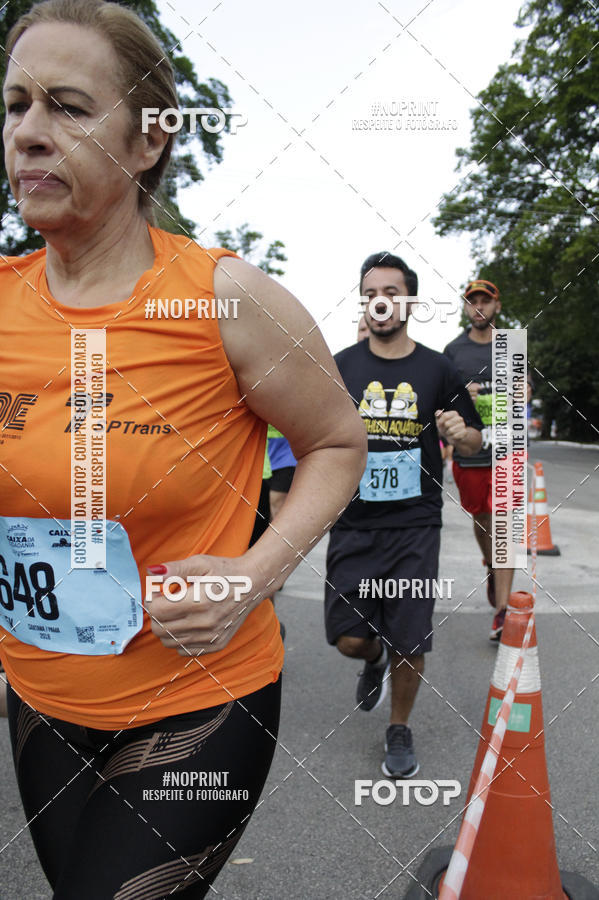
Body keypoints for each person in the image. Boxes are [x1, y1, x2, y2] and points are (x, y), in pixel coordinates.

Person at [0, 2, 366, 896]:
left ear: (146, 142)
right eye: (15, 105)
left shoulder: (224, 298)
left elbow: (336, 442)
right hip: (42, 700)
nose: (30, 134)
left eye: (69, 107)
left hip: (200, 700)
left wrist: (256, 574)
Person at [325, 252, 482, 778]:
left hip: (415, 524)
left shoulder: (437, 368)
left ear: (409, 301)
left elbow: (477, 431)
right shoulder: (341, 366)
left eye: (391, 291)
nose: (380, 301)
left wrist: (463, 434)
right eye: (371, 292)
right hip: (353, 523)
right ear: (364, 300)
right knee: (348, 637)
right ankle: (373, 660)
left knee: (410, 637)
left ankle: (399, 728)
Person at [444, 279, 515, 641]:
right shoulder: (453, 351)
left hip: (506, 450)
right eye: (472, 301)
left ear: (496, 307)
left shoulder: (510, 346)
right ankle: (491, 565)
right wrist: (463, 396)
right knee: (483, 519)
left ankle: (502, 612)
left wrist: (512, 390)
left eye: (485, 302)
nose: (479, 307)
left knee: (504, 526)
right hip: (469, 454)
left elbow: (525, 389)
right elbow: (443, 400)